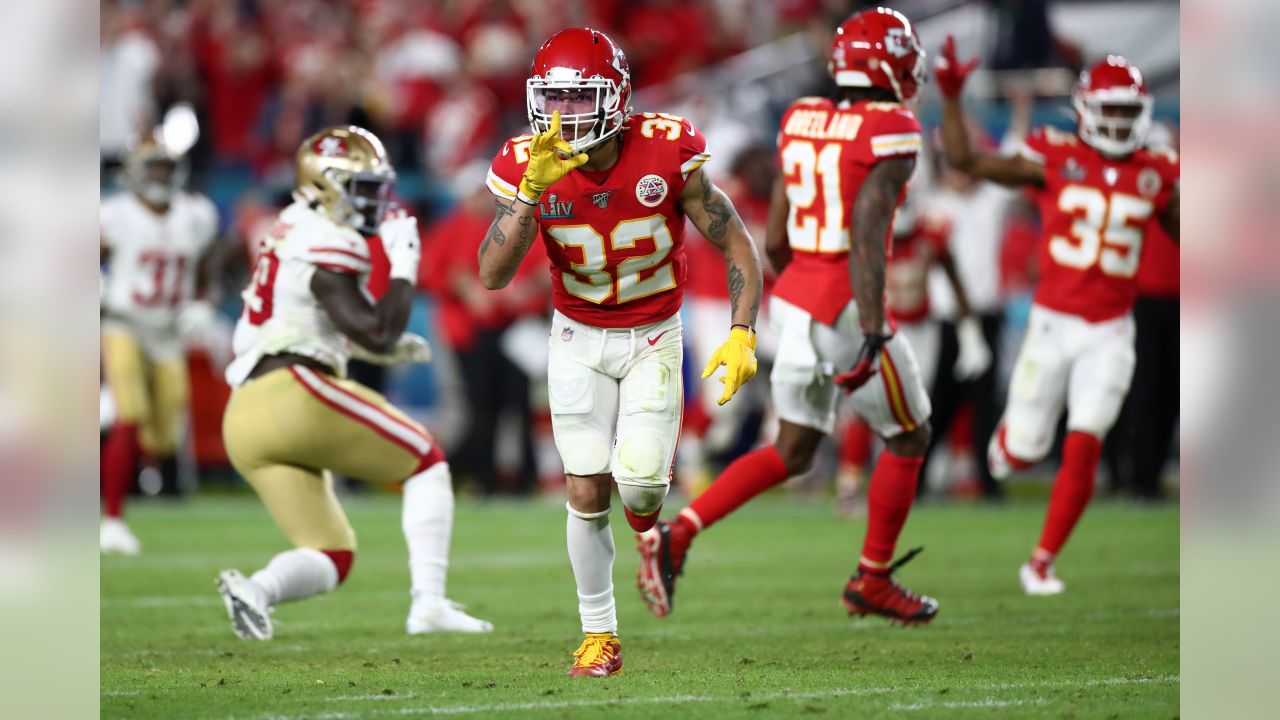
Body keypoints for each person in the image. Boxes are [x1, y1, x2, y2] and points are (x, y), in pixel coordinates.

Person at [636, 7, 939, 626]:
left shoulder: (802, 116)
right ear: (887, 64)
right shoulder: (892, 127)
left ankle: (679, 532)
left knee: (794, 448)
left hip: (796, 298)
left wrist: (797, 287)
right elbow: (868, 231)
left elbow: (775, 234)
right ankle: (874, 578)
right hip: (846, 302)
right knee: (910, 434)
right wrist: (873, 326)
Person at [480, 28, 764, 677]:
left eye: (578, 100)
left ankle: (654, 534)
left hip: (654, 334)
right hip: (576, 335)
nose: (561, 117)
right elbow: (492, 273)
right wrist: (529, 191)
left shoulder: (666, 150)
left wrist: (742, 329)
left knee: (638, 490)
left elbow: (737, 241)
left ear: (616, 100)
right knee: (584, 484)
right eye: (551, 99)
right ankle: (599, 635)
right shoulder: (527, 158)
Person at [215, 126, 492, 640]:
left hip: (245, 413)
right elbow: (380, 331)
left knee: (331, 553)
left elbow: (304, 316)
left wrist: (363, 343)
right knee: (426, 461)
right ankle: (429, 604)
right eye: (361, 187)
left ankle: (256, 590)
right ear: (325, 184)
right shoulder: (331, 239)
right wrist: (406, 264)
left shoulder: (290, 226)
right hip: (292, 391)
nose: (373, 200)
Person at [936, 40, 1179, 595]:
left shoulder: (1157, 171)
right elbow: (967, 161)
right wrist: (950, 97)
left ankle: (1041, 562)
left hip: (1113, 330)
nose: (1118, 122)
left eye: (1127, 111)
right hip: (1051, 324)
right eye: (1110, 110)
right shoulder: (1056, 156)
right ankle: (1009, 447)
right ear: (1086, 111)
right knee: (1023, 450)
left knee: (1087, 438)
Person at [100, 135, 222, 554]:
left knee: (165, 436)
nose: (159, 177)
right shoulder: (115, 215)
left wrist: (205, 301)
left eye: (166, 169)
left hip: (169, 332)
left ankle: (137, 487)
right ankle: (112, 520)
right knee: (128, 416)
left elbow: (210, 263)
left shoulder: (196, 215)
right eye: (152, 168)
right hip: (124, 324)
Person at [836, 196, 991, 512]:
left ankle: (896, 485)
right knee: (865, 405)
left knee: (914, 410)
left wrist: (969, 329)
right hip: (879, 327)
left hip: (921, 331)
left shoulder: (930, 235)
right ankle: (849, 486)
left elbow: (953, 274)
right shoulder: (867, 236)